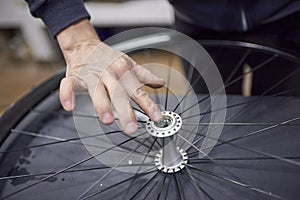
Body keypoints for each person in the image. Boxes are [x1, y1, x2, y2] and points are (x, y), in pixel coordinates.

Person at [25, 0, 300, 133]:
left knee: (281, 121)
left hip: (290, 18)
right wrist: (77, 39)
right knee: (215, 116)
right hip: (198, 21)